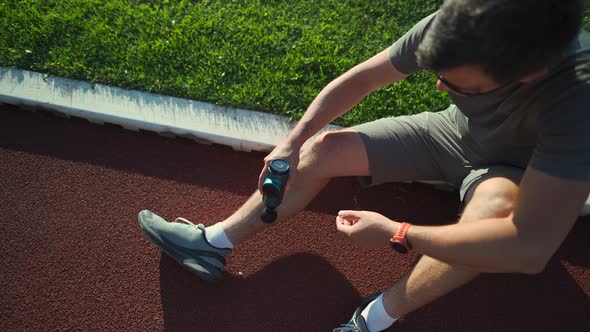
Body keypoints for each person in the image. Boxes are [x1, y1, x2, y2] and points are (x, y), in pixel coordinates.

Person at [137, 0, 590, 331]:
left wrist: (398, 233)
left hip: (513, 169)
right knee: (325, 149)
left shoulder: (577, 98)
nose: (437, 85)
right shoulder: (466, 22)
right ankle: (213, 244)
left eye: (456, 84)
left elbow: (528, 248)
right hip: (452, 134)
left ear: (529, 73)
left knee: (491, 220)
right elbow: (365, 77)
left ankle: (373, 319)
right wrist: (292, 142)